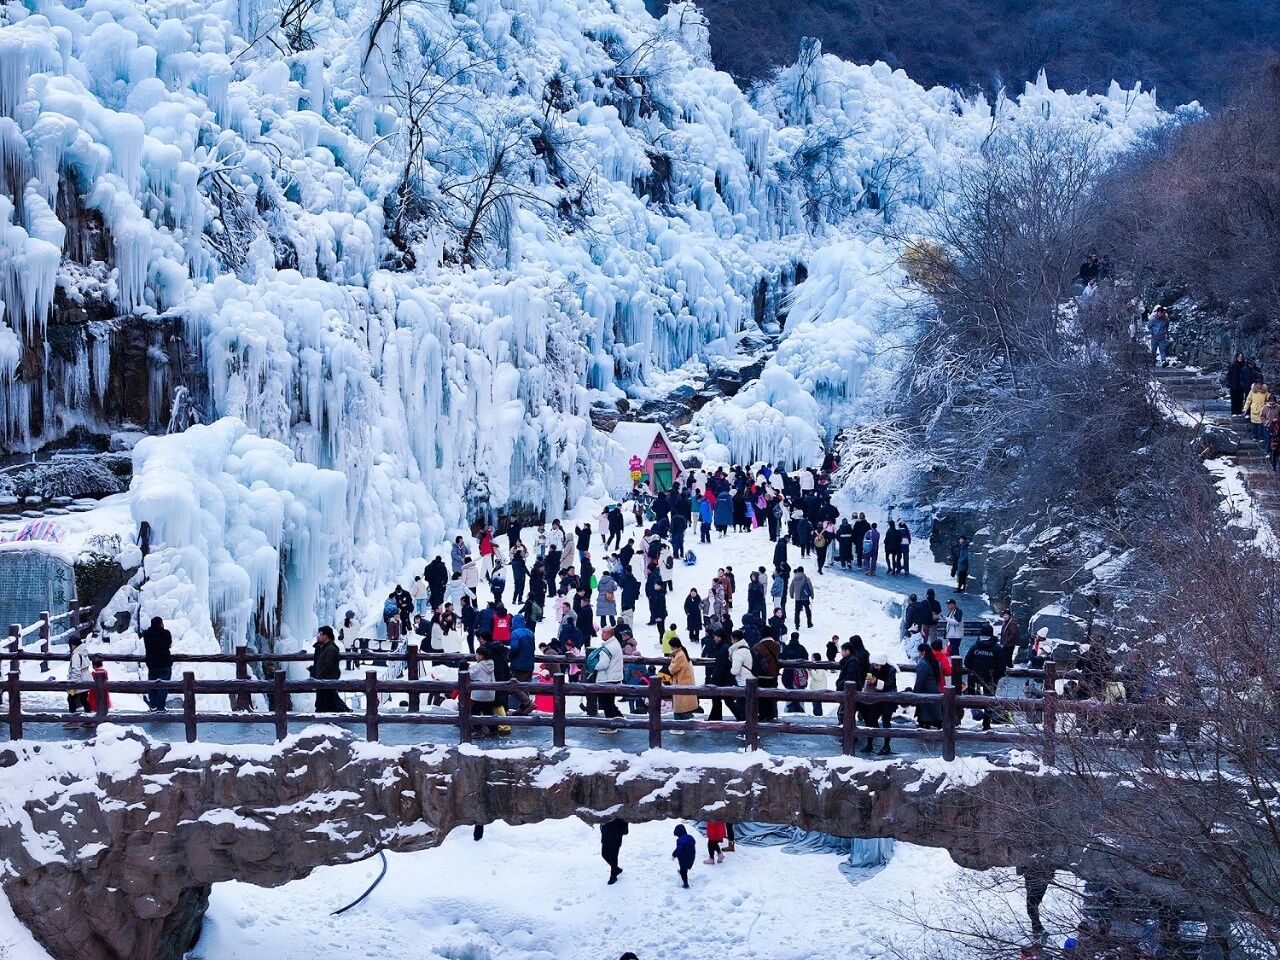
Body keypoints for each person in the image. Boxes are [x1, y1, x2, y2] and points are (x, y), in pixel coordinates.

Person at [964, 628, 1006, 730]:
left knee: (972, 698)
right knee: (990, 700)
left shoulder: (974, 647)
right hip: (990, 678)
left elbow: (967, 662)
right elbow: (1001, 666)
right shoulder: (997, 648)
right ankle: (986, 723)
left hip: (974, 677)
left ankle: (974, 714)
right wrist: (996, 676)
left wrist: (973, 670)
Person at [862, 659, 897, 755]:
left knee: (886, 721)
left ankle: (886, 746)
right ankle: (869, 744)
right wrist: (869, 679)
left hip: (888, 699)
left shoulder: (890, 670)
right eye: (874, 665)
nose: (876, 667)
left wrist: (877, 681)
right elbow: (869, 673)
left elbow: (890, 685)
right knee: (871, 720)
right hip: (876, 698)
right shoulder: (872, 667)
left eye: (878, 665)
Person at [311, 626, 348, 712]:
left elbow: (328, 666)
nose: (318, 636)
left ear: (326, 636)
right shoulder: (324, 647)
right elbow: (318, 660)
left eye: (320, 634)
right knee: (326, 702)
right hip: (323, 681)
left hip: (326, 681)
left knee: (328, 703)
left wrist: (320, 676)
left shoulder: (331, 649)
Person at [592, 626, 625, 726]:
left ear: (608, 634)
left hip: (607, 678)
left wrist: (594, 666)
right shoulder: (615, 643)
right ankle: (620, 719)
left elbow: (603, 664)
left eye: (603, 633)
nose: (601, 634)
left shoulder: (608, 648)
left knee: (606, 703)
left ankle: (611, 725)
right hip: (615, 677)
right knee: (610, 701)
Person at [141, 616, 174, 712]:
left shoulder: (147, 634)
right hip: (165, 663)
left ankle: (153, 706)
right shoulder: (166, 633)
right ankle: (160, 707)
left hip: (152, 664)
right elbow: (169, 644)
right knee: (163, 686)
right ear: (160, 624)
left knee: (152, 685)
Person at [752, 629, 781, 722]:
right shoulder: (777, 645)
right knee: (772, 694)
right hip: (773, 674)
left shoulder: (757, 646)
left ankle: (762, 714)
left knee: (760, 696)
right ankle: (771, 714)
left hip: (760, 675)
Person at [913, 641, 943, 729]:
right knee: (934, 712)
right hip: (933, 689)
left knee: (926, 713)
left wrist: (915, 692)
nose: (918, 654)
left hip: (925, 690)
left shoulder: (923, 663)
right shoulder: (933, 661)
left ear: (923, 652)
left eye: (919, 651)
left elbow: (920, 680)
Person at [666, 638, 698, 719]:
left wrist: (672, 659)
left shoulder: (679, 656)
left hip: (681, 682)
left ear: (675, 646)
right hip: (685, 681)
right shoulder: (682, 653)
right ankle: (687, 722)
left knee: (680, 708)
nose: (670, 649)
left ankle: (679, 726)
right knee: (684, 707)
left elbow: (672, 669)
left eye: (671, 647)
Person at [470, 646, 498, 736]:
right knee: (488, 711)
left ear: (481, 656)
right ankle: (493, 729)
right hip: (489, 693)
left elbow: (471, 676)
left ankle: (477, 729)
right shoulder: (490, 664)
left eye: (477, 654)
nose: (476, 656)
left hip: (479, 693)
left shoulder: (479, 666)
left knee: (475, 711)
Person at [780, 632, 809, 713]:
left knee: (789, 693)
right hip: (799, 675)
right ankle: (800, 709)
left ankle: (789, 709)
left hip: (787, 675)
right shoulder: (802, 648)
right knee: (800, 694)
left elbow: (781, 658)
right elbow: (806, 659)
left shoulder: (786, 648)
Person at [67, 634, 92, 713]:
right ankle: (89, 719)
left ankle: (73, 720)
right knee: (84, 700)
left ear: (72, 644)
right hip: (85, 680)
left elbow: (76, 669)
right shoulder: (83, 652)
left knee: (71, 699)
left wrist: (73, 684)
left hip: (76, 682)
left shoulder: (76, 655)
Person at [600, 818, 629, 884]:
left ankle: (613, 876)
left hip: (615, 837)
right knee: (604, 854)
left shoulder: (619, 810)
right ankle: (616, 869)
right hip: (605, 836)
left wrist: (620, 831)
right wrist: (601, 827)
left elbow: (625, 824)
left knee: (613, 857)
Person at [1226, 353, 1253, 417]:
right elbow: (1229, 375)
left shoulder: (1244, 365)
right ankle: (1234, 412)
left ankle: (1239, 412)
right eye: (1239, 356)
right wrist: (1229, 383)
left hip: (1241, 384)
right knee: (1234, 399)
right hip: (1234, 384)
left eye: (1241, 357)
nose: (1240, 358)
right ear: (1236, 357)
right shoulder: (1233, 365)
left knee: (1240, 399)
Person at [808, 651, 828, 716]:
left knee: (817, 705)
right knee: (815, 704)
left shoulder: (820, 668)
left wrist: (812, 670)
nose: (811, 659)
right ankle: (817, 715)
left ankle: (819, 716)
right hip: (815, 689)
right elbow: (812, 676)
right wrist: (809, 670)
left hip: (819, 689)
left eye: (812, 658)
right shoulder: (816, 667)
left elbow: (818, 678)